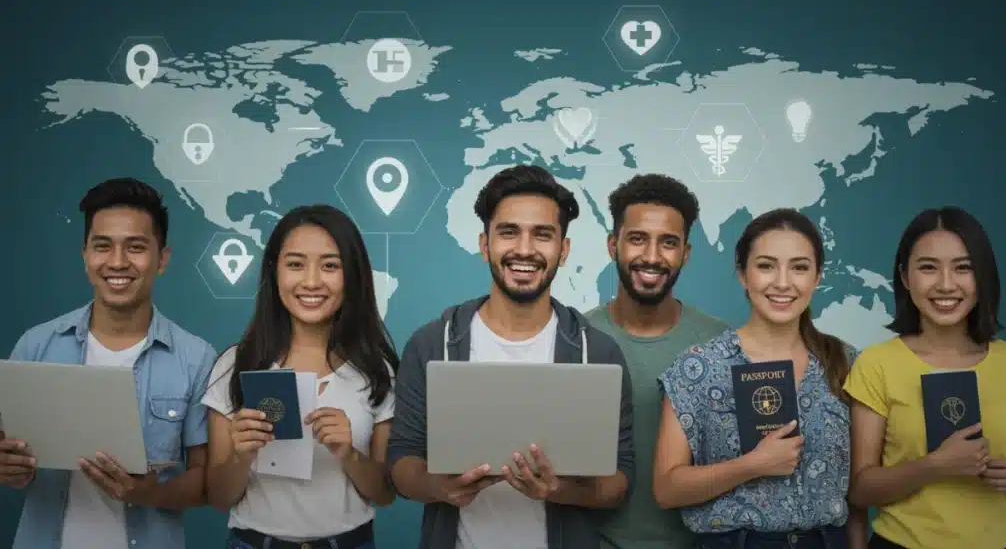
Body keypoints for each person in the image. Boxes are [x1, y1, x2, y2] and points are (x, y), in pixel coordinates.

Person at [386, 165, 635, 549]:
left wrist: (559, 490)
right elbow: (401, 463)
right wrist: (439, 487)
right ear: (485, 244)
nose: (524, 249)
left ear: (563, 250)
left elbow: (618, 483)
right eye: (508, 232)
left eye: (542, 235)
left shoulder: (598, 353)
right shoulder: (433, 343)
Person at [0, 178, 216, 549]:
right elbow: (8, 454)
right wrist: (8, 469)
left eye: (136, 247)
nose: (117, 262)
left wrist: (148, 492)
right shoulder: (35, 345)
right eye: (103, 246)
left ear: (162, 259)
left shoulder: (196, 358)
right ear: (85, 254)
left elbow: (206, 482)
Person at [653, 208, 867, 549]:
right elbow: (667, 489)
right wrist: (752, 464)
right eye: (766, 265)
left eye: (799, 267)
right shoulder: (698, 368)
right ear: (742, 274)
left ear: (818, 276)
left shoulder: (848, 363)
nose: (783, 283)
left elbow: (858, 494)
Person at [203, 204, 398, 549]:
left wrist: (349, 453)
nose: (311, 281)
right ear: (273, 270)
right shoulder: (235, 365)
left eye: (330, 266)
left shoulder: (377, 370)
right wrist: (241, 455)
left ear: (352, 275)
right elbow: (218, 498)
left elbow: (384, 494)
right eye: (295, 264)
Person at [844, 207, 1006, 549]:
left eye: (964, 268)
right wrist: (936, 465)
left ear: (982, 276)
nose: (945, 284)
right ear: (905, 276)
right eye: (928, 267)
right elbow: (860, 490)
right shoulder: (876, 364)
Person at [584, 173, 729, 549]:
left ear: (686, 253)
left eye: (668, 243)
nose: (651, 257)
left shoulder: (721, 344)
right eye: (637, 239)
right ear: (612, 245)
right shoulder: (574, 339)